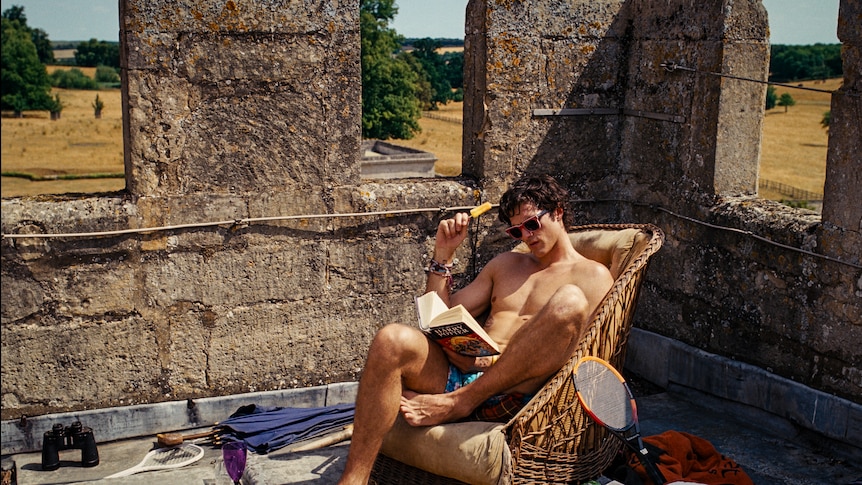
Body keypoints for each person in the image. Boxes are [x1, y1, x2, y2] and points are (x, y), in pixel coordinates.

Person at [337, 174, 614, 485]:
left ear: (558, 211)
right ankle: (353, 481)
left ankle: (459, 403)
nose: (527, 236)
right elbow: (438, 318)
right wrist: (443, 256)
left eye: (532, 224)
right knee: (392, 338)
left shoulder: (594, 276)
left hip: (517, 394)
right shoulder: (505, 265)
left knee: (569, 301)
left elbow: (580, 354)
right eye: (516, 231)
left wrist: (492, 365)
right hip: (460, 374)